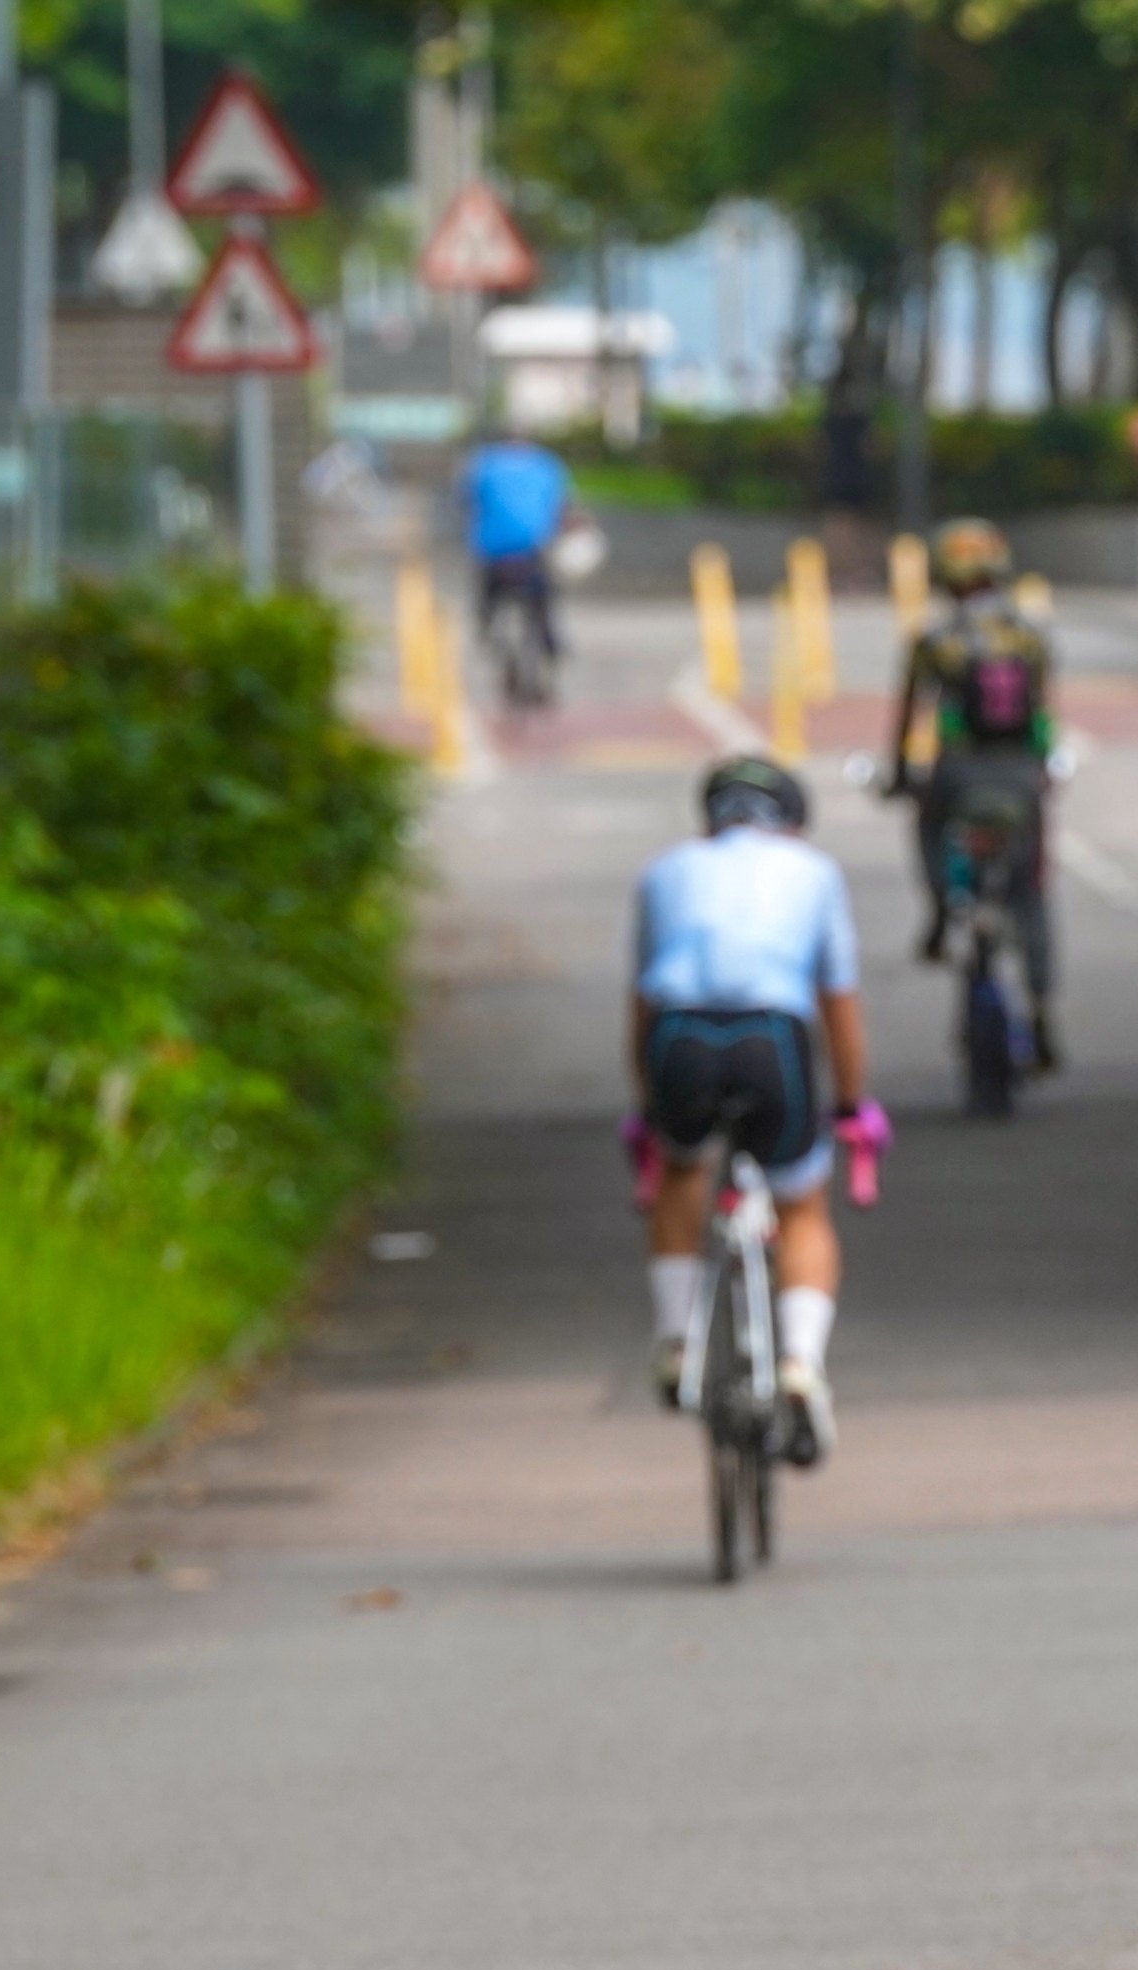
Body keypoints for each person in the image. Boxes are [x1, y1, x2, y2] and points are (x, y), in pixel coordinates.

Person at [634, 755, 879, 1466]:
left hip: (680, 1035)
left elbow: (641, 1004)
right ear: (792, 823)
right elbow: (839, 1003)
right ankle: (799, 1363)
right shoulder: (813, 872)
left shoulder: (665, 871)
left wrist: (645, 1106)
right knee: (802, 1202)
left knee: (683, 1171)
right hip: (771, 1036)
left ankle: (679, 1343)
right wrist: (851, 1104)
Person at [883, 518, 1062, 1068]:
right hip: (1020, 776)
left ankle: (940, 915)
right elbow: (1044, 715)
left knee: (929, 828)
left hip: (956, 775)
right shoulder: (1030, 635)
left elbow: (909, 715)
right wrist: (1042, 772)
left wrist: (898, 775)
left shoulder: (935, 639)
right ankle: (1040, 1009)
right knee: (1030, 892)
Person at [459, 430, 578, 680]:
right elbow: (562, 506)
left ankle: (486, 630)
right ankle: (550, 642)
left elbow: (467, 500)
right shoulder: (546, 464)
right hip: (533, 548)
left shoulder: (484, 464)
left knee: (487, 599)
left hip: (493, 550)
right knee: (544, 599)